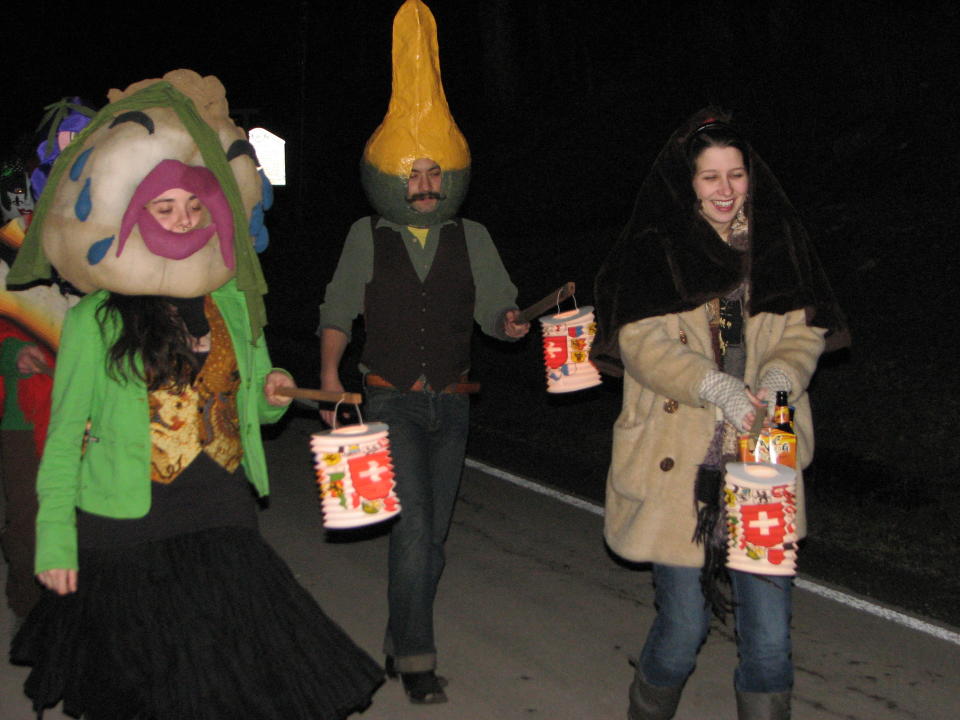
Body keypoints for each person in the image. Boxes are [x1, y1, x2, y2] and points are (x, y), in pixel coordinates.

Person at [9, 69, 383, 719]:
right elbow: (66, 435)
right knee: (146, 689)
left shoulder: (233, 303)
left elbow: (260, 409)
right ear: (135, 215)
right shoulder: (96, 318)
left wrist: (271, 392)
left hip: (220, 510)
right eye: (163, 207)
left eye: (192, 206)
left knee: (234, 676)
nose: (181, 219)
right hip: (126, 527)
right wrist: (54, 543)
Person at [592, 108, 847, 720]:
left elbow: (803, 330)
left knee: (769, 640)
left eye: (736, 175)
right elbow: (641, 344)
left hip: (761, 460)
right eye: (710, 177)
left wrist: (781, 375)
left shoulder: (776, 246)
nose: (726, 190)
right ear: (687, 184)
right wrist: (716, 385)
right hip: (678, 468)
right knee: (682, 630)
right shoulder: (654, 250)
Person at [318, 0, 528, 705]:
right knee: (412, 536)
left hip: (454, 404)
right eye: (414, 173)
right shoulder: (363, 237)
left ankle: (394, 633)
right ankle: (415, 658)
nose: (426, 183)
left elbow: (497, 310)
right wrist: (327, 376)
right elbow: (337, 309)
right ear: (392, 179)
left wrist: (512, 324)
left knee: (432, 540)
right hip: (389, 399)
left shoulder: (474, 239)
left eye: (435, 173)